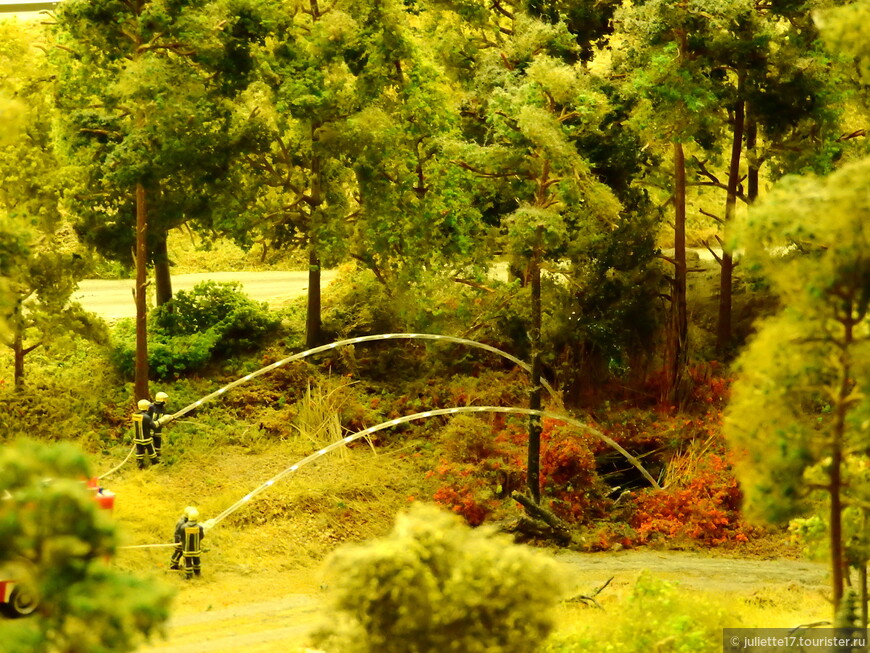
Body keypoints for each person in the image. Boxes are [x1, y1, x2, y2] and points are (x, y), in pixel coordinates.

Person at [131, 399, 158, 469]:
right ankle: (155, 461)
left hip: (137, 438)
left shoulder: (135, 415)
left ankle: (140, 463)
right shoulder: (146, 417)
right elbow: (153, 426)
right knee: (151, 450)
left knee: (139, 451)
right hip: (146, 438)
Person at [182, 506, 205, 579]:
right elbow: (201, 536)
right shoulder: (200, 527)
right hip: (196, 549)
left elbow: (182, 537)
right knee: (197, 561)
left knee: (188, 562)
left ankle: (188, 576)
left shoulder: (184, 527)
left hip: (187, 549)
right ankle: (198, 573)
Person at [148, 392, 169, 461]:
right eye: (164, 399)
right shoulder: (151, 407)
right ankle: (151, 456)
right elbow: (148, 417)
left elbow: (163, 417)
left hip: (158, 428)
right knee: (149, 442)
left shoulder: (163, 408)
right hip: (150, 428)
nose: (165, 401)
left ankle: (157, 454)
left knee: (158, 440)